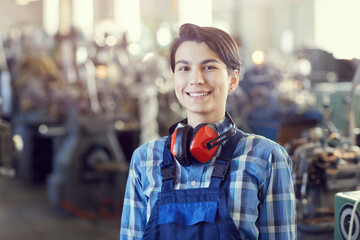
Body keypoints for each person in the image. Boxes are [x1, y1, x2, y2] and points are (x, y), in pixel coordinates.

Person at [120, 23, 296, 240]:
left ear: (233, 79)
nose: (196, 79)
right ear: (174, 78)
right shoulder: (145, 159)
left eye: (209, 67)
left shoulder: (266, 157)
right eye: (184, 68)